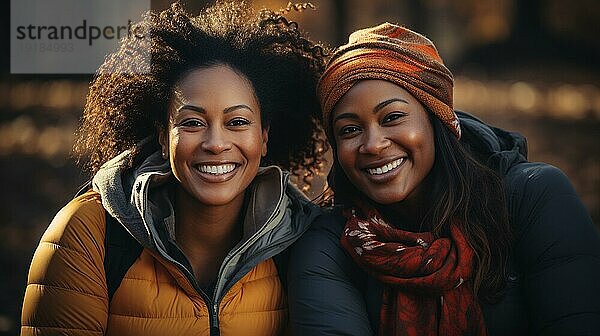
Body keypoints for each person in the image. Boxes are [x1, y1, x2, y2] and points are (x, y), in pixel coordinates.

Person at [21, 2, 327, 335]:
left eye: (237, 122)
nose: (215, 143)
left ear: (264, 136)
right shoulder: (90, 234)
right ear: (163, 136)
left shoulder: (302, 241)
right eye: (192, 122)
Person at [288, 22, 600, 335]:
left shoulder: (533, 198)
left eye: (393, 117)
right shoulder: (331, 241)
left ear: (438, 118)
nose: (373, 144)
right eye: (350, 130)